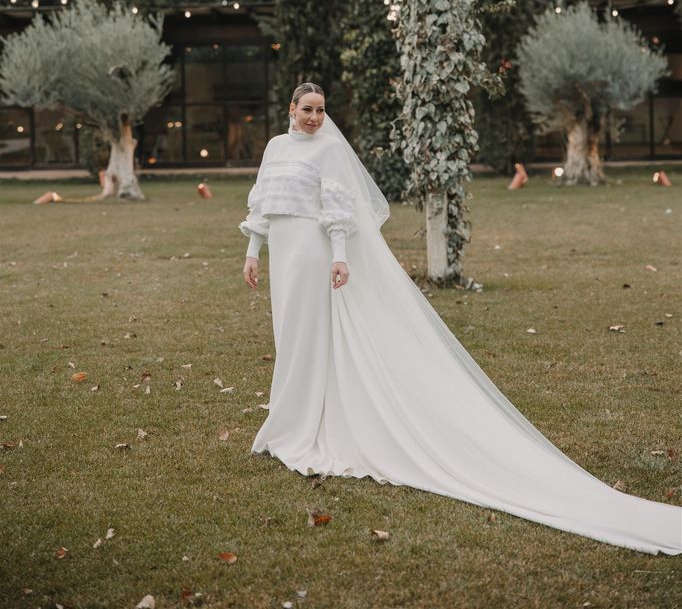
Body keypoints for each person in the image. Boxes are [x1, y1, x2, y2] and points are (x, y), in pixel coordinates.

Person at [240, 82, 682, 556]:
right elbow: (263, 201)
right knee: (288, 333)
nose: (313, 117)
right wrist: (252, 251)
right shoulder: (275, 147)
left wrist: (340, 255)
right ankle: (289, 418)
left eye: (320, 110)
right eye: (306, 109)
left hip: (311, 251)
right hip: (282, 253)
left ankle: (303, 424)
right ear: (291, 108)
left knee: (309, 335)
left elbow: (337, 207)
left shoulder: (328, 150)